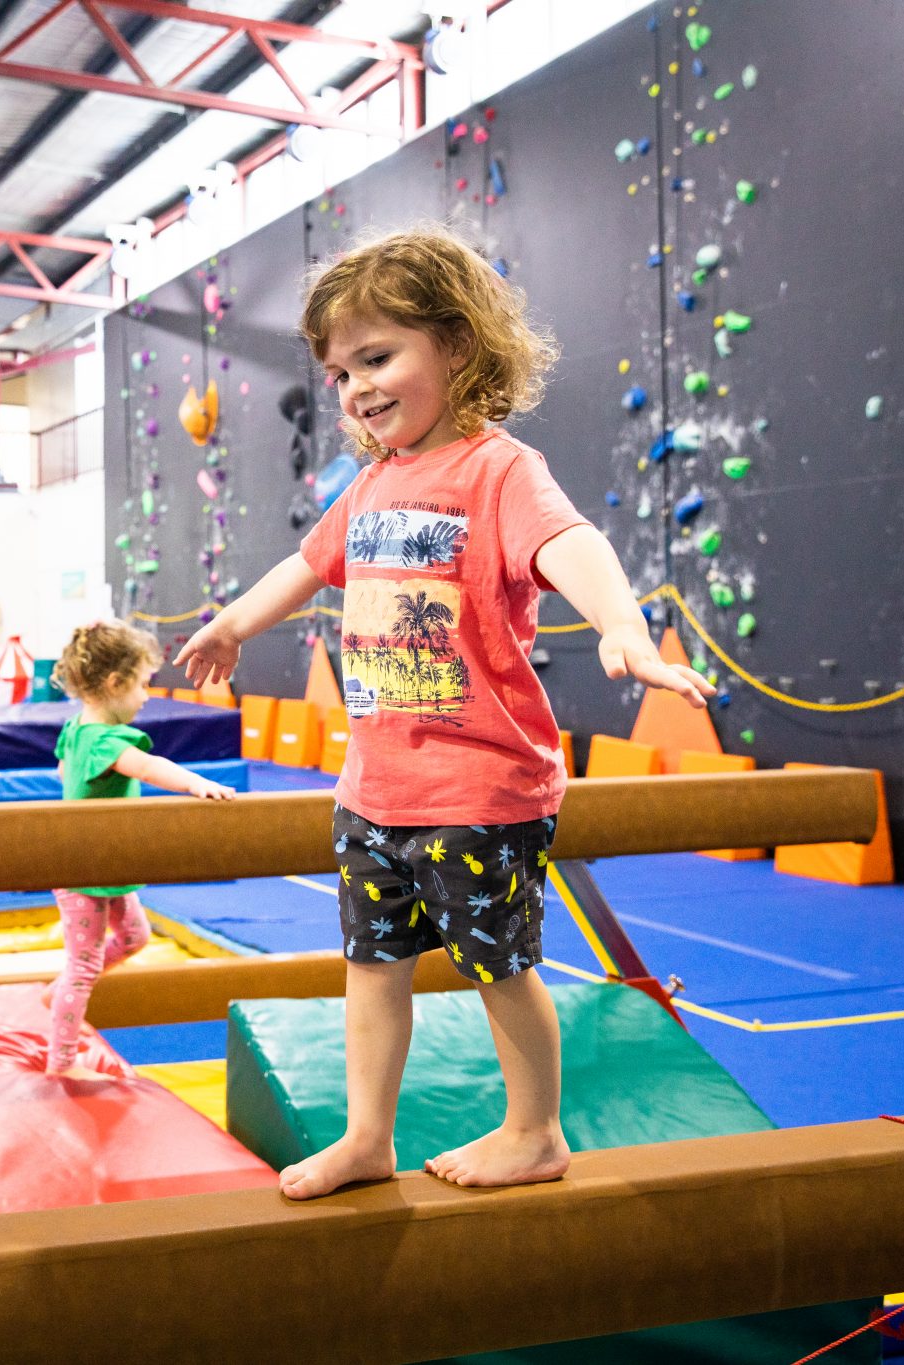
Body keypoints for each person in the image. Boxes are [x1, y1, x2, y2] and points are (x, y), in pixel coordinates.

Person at [173, 225, 714, 1197]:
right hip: (376, 784)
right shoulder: (373, 483)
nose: (355, 388)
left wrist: (623, 629)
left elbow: (570, 543)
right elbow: (306, 565)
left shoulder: (493, 469)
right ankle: (365, 1136)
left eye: (376, 357)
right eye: (339, 373)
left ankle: (534, 1130)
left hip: (476, 784)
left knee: (497, 968)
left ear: (456, 344)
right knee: (370, 968)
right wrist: (230, 624)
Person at [47, 621, 236, 1079]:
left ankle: (59, 991)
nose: (147, 697)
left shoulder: (77, 730)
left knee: (135, 936)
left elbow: (60, 771)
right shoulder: (105, 740)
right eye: (143, 685)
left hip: (107, 866)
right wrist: (194, 782)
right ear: (115, 684)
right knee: (86, 963)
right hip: (83, 874)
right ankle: (62, 1062)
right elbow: (148, 767)